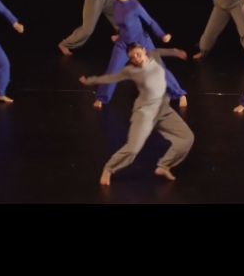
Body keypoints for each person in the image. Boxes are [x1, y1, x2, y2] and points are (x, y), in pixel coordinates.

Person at [80, 43, 194, 186]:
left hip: (163, 109)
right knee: (133, 149)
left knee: (186, 137)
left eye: (138, 54)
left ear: (144, 51)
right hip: (145, 113)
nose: (136, 59)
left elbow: (159, 50)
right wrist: (90, 80)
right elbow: (110, 78)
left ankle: (164, 166)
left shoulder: (153, 56)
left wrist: (176, 51)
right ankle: (108, 168)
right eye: (132, 58)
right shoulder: (131, 70)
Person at [95, 0, 188, 108]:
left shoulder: (135, 6)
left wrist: (162, 35)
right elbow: (122, 24)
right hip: (123, 43)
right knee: (112, 70)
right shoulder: (115, 4)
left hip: (141, 42)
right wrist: (118, 34)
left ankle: (179, 94)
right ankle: (102, 98)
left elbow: (150, 21)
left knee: (159, 68)